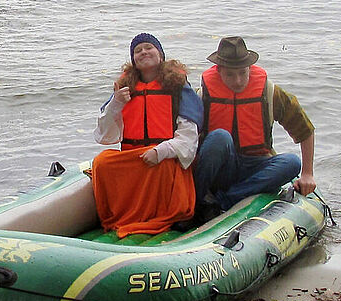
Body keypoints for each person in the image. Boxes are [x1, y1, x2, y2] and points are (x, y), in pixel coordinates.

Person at [92, 33, 203, 237]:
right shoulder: (124, 89)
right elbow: (104, 136)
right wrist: (116, 103)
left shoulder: (179, 87)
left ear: (160, 54)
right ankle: (124, 216)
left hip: (163, 158)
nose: (143, 52)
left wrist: (160, 152)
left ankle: (164, 216)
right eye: (137, 50)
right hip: (136, 159)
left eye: (148, 47)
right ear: (133, 60)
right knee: (102, 162)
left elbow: (189, 139)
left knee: (165, 166)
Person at [193, 36, 316, 218]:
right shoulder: (203, 95)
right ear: (218, 71)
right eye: (230, 75)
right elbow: (185, 138)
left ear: (250, 68)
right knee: (220, 137)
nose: (238, 81)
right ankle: (197, 201)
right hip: (221, 168)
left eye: (243, 73)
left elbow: (305, 130)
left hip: (256, 165)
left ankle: (226, 200)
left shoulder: (270, 92)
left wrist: (307, 174)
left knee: (291, 163)